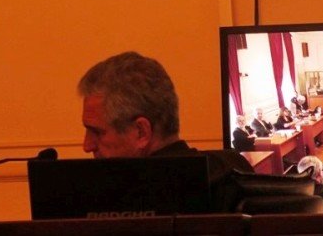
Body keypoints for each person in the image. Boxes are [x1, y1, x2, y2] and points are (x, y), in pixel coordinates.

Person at [77, 51, 255, 212]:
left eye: (97, 132)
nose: (87, 145)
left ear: (141, 132)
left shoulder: (118, 198)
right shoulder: (235, 170)